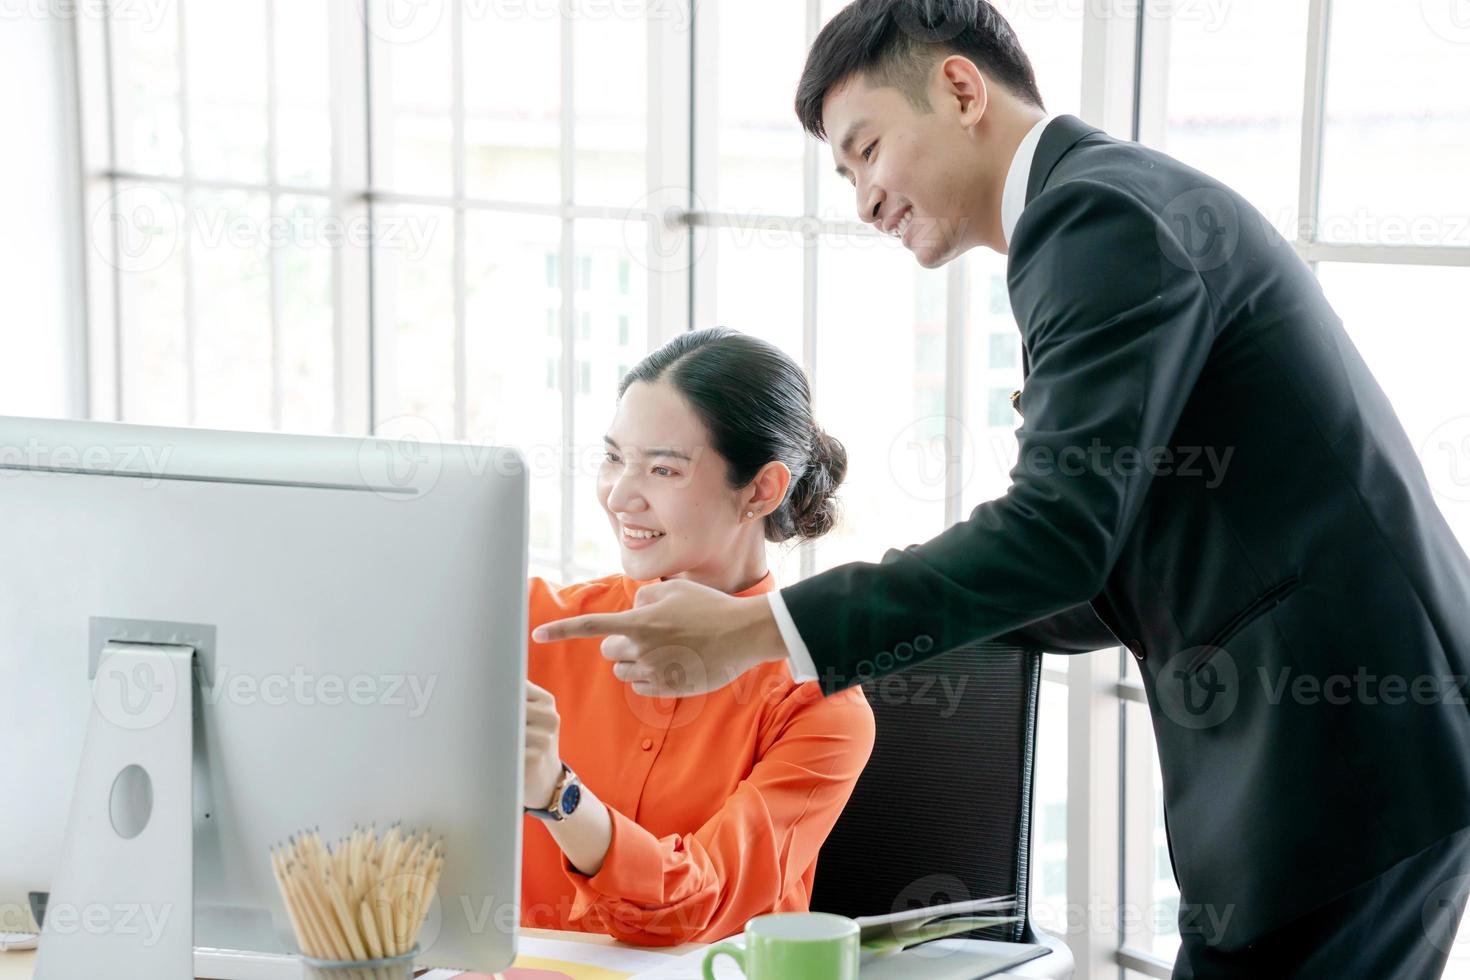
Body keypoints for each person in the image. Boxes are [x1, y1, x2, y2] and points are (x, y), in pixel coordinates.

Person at [532, 1, 1470, 976]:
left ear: (960, 88)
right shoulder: (1097, 215)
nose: (862, 199)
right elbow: (1084, 560)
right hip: (1332, 760)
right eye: (844, 174)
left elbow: (1054, 535)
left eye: (867, 149)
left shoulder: (1092, 215)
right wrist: (858, 626)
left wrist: (758, 632)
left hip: (1344, 753)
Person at [519, 327, 875, 946]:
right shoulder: (529, 625)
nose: (620, 496)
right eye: (613, 458)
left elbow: (694, 910)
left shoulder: (822, 708)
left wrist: (557, 796)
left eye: (662, 468)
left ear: (762, 490)